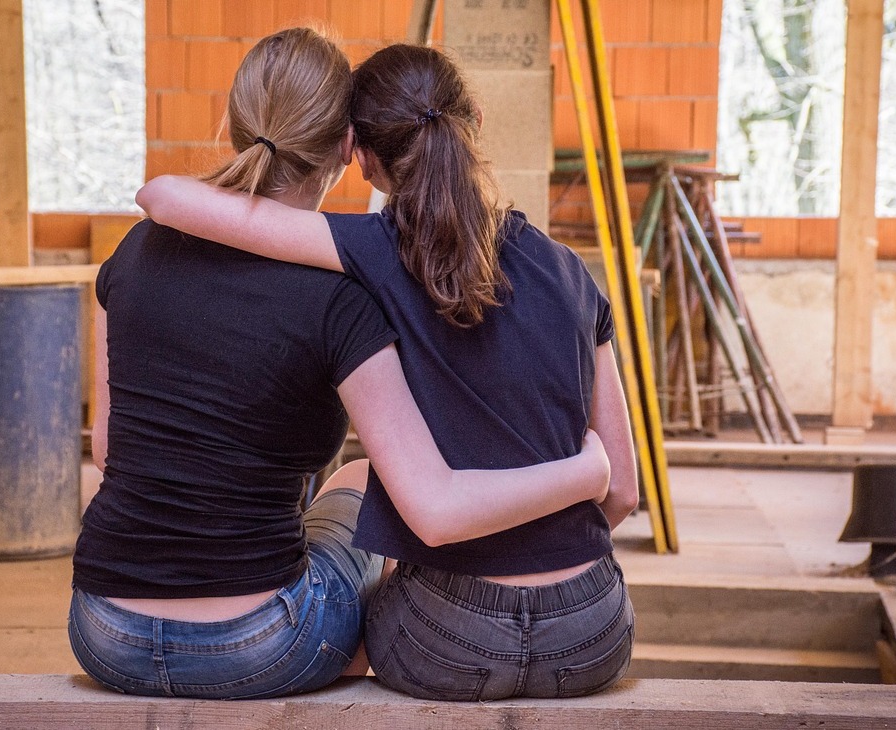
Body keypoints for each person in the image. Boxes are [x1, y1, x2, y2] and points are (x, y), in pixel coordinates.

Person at [71, 29, 612, 701]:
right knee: (361, 481)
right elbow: (437, 504)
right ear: (348, 148)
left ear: (239, 122)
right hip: (263, 647)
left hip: (101, 628)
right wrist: (586, 470)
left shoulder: (129, 255)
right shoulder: (348, 293)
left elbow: (107, 450)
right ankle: (348, 651)